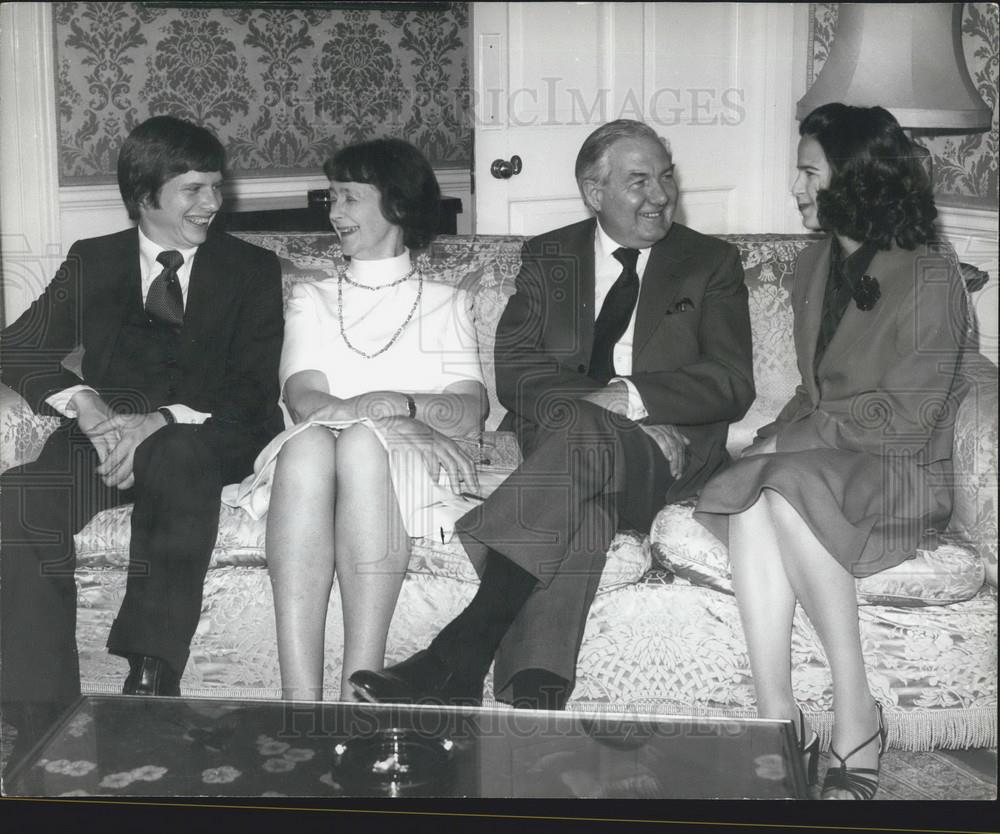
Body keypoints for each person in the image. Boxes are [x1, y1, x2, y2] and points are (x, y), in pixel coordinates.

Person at [349, 119, 755, 711]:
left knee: (587, 440)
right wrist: (612, 409)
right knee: (582, 515)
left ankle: (457, 651)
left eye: (665, 178)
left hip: (662, 464)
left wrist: (634, 400)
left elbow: (730, 381)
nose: (661, 195)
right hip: (564, 463)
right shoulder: (549, 255)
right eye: (639, 181)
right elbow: (518, 372)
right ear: (595, 192)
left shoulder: (709, 262)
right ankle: (531, 701)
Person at [694, 103, 971, 800]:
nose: (794, 187)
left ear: (856, 178)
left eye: (807, 171)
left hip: (901, 468)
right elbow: (818, 391)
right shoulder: (815, 261)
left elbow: (907, 417)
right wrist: (770, 436)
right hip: (830, 464)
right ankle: (775, 724)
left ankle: (856, 717)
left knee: (781, 486)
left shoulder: (933, 274)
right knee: (761, 495)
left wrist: (790, 439)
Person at [0, 116, 284, 771]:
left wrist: (160, 420)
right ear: (145, 195)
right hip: (105, 435)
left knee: (179, 456)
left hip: (208, 432)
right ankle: (37, 711)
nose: (212, 203)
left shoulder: (250, 270)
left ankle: (151, 677)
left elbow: (251, 393)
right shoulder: (94, 260)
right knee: (17, 497)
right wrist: (87, 405)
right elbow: (16, 347)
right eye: (192, 189)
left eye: (216, 187)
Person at [222, 138, 487, 701]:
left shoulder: (446, 302)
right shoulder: (309, 298)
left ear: (396, 204)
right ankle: (300, 704)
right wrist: (392, 419)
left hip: (406, 473)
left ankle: (357, 692)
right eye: (332, 199)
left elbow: (469, 410)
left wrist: (403, 409)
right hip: (309, 467)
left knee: (361, 447)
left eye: (348, 198)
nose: (334, 213)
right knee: (312, 442)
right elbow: (305, 399)